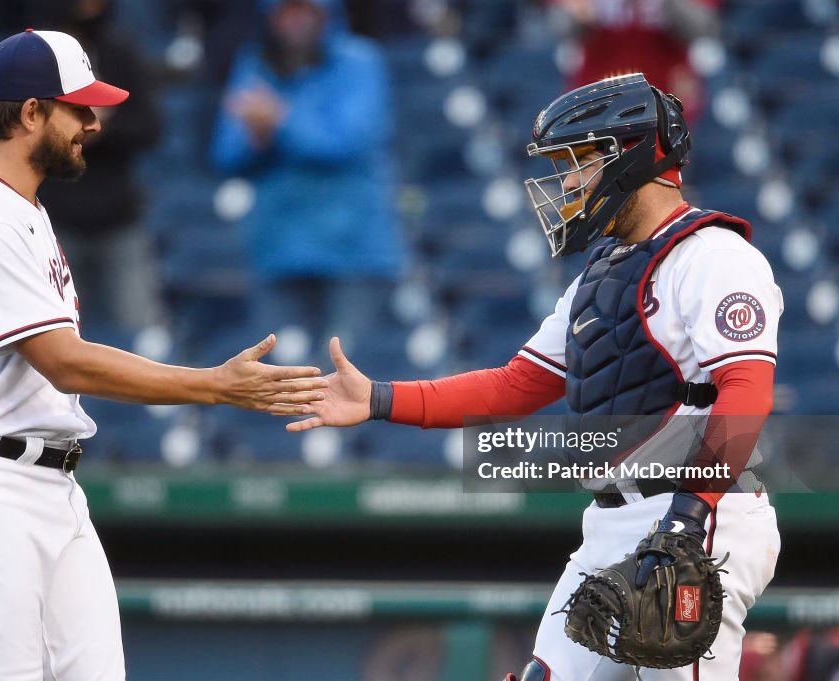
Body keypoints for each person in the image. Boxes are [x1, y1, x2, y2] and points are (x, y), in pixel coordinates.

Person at [288, 73, 781, 680]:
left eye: (576, 163)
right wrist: (381, 399)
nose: (567, 182)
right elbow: (517, 384)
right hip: (613, 522)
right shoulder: (603, 272)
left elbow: (746, 391)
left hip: (697, 519)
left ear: (626, 157)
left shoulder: (714, 256)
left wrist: (687, 517)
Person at [0, 29, 326, 681]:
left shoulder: (21, 207)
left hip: (46, 481)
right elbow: (65, 360)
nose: (94, 122)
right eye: (79, 107)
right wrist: (212, 385)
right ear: (30, 112)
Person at [210, 0, 406, 357]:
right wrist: (257, 137)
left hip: (354, 252)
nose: (293, 20)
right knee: (279, 383)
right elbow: (226, 153)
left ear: (324, 13)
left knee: (347, 380)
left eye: (303, 9)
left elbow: (347, 141)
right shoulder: (256, 63)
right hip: (278, 250)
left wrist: (279, 122)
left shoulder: (359, 60)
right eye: (284, 11)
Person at [35, 0, 165, 332]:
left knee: (139, 334)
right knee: (58, 332)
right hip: (55, 217)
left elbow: (149, 126)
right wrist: (66, 128)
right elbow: (19, 130)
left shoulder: (119, 50)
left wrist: (104, 126)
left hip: (117, 215)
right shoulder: (38, 57)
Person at [548, 0, 720, 125]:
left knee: (662, 172)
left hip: (664, 103)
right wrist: (579, 13)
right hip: (597, 101)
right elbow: (562, 26)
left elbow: (700, 27)